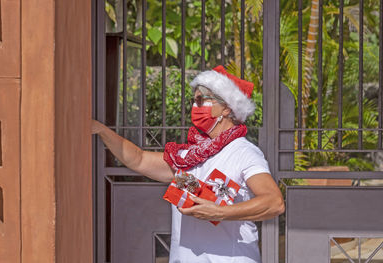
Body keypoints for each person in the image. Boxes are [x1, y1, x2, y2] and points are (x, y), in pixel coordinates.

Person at [92, 65, 285, 263]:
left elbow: (274, 202)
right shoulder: (189, 156)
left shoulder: (244, 153)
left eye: (202, 100)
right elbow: (139, 159)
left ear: (227, 108)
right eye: (194, 100)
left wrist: (219, 212)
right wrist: (102, 131)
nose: (195, 106)